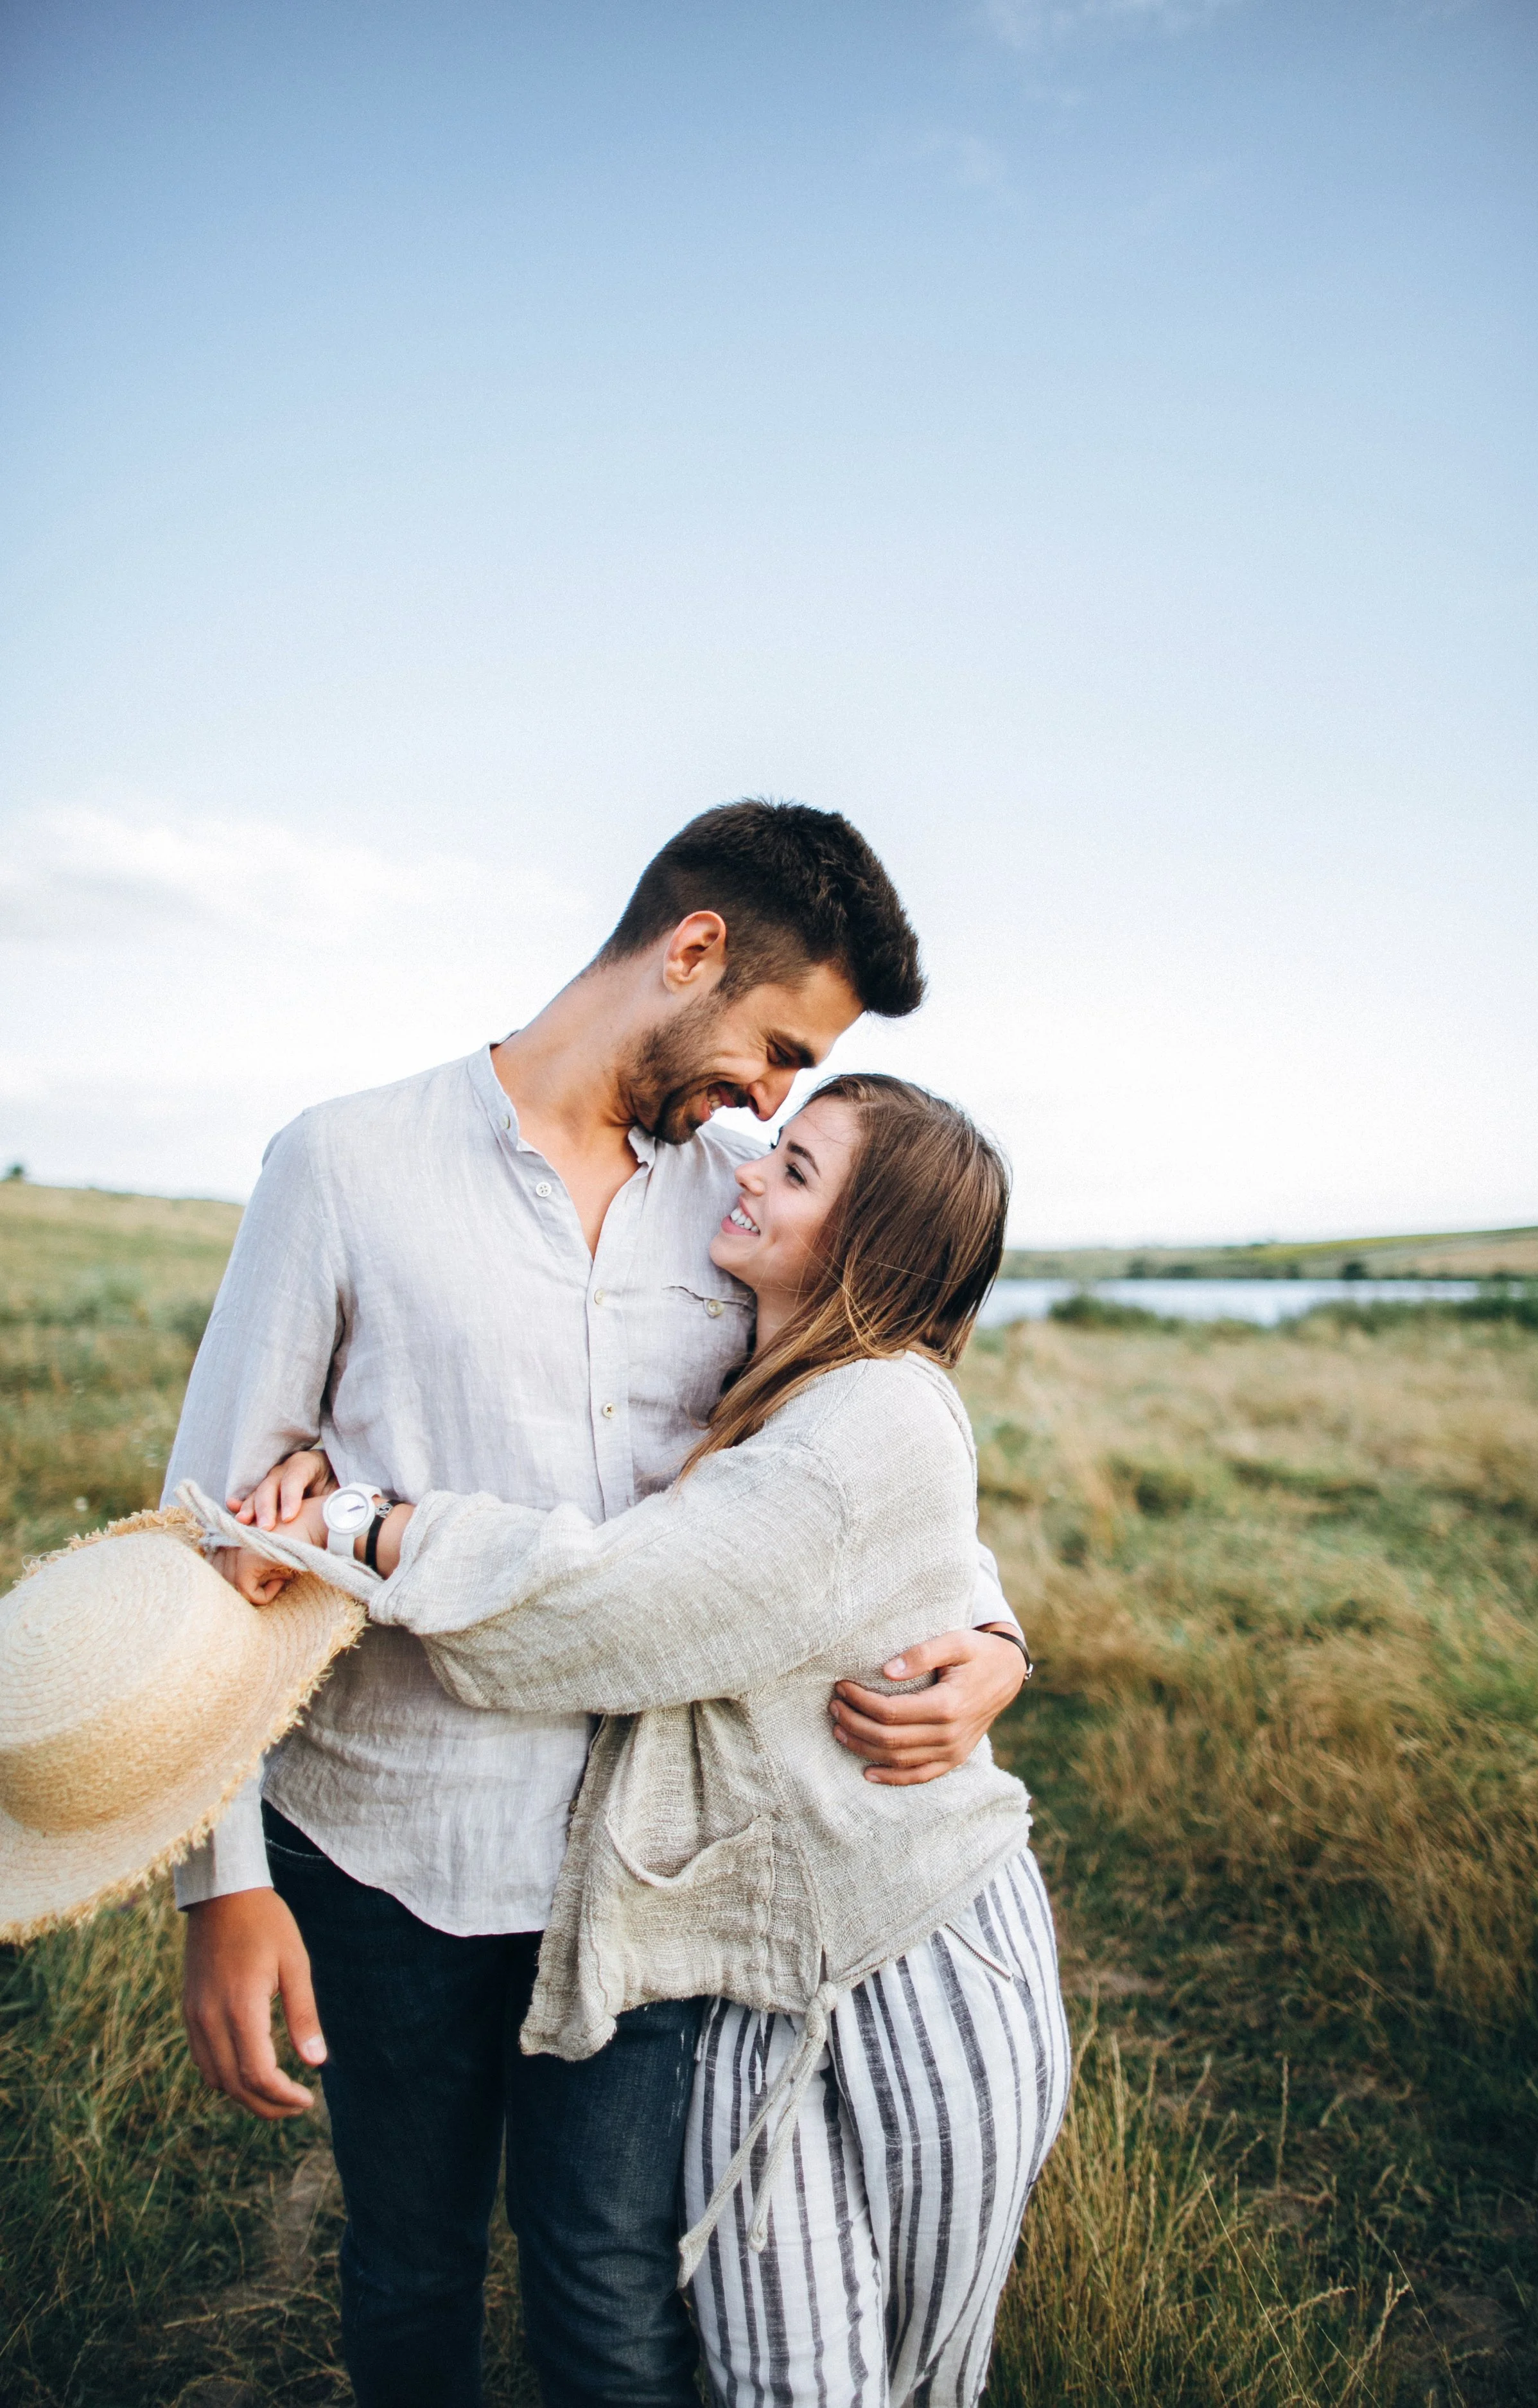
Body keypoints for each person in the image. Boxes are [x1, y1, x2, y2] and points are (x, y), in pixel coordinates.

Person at [167, 801, 1029, 2408]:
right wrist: (224, 1886)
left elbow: (848, 1441)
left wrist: (985, 1636)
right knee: (411, 2266)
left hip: (648, 1861)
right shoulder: (345, 1163)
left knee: (609, 2285)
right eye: (775, 1047)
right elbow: (215, 1517)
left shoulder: (742, 1203)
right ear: (690, 951)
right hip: (383, 1847)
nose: (775, 1096)